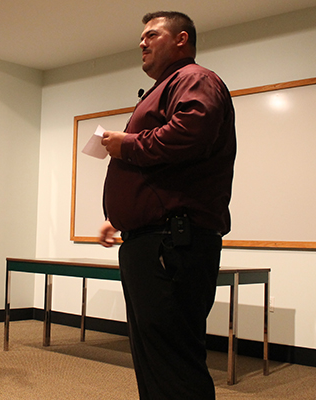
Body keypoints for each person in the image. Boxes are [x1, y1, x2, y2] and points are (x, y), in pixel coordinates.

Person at [98, 11, 236, 400]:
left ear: (182, 39)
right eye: (141, 37)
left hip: (172, 244)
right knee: (155, 363)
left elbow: (191, 133)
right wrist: (122, 216)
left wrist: (127, 144)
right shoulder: (167, 87)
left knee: (173, 365)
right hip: (153, 240)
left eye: (152, 34)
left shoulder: (195, 79)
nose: (142, 42)